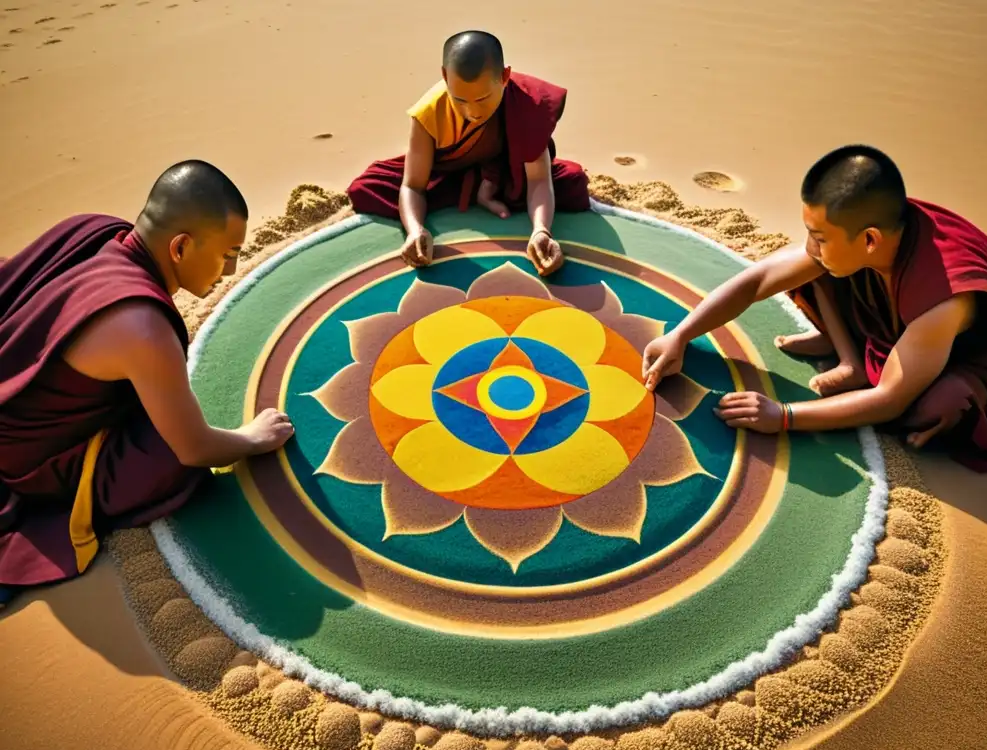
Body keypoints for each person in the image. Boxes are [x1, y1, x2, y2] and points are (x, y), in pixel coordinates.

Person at [0, 160, 294, 601]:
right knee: (172, 461)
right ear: (179, 248)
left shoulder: (96, 231)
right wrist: (252, 438)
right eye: (227, 254)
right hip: (25, 458)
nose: (230, 271)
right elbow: (194, 447)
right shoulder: (143, 327)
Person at [642, 145, 987, 472]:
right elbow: (759, 280)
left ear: (870, 240)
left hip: (960, 358)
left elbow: (890, 400)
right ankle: (851, 358)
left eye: (819, 236)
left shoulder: (942, 300)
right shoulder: (870, 233)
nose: (809, 245)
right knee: (814, 268)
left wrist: (784, 416)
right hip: (898, 323)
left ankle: (862, 361)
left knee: (937, 407)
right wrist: (681, 335)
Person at [347, 30, 591, 276]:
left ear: (505, 76)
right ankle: (481, 189)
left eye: (483, 99)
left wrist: (541, 230)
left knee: (573, 180)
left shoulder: (525, 100)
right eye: (460, 100)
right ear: (444, 76)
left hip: (508, 168)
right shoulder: (429, 112)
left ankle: (488, 184)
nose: (473, 112)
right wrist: (415, 230)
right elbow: (412, 186)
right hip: (449, 174)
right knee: (366, 187)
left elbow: (538, 178)